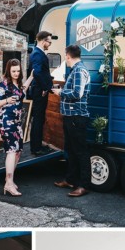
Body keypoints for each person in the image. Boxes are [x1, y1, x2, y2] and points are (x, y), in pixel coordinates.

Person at [52, 44, 92, 198]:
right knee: (71, 150)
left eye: (66, 57)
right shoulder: (76, 70)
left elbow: (77, 93)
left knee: (81, 152)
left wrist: (60, 92)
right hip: (71, 117)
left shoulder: (79, 71)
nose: (66, 60)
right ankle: (70, 180)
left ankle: (84, 186)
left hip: (77, 117)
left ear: (68, 56)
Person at [0, 59, 34, 197]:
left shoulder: (18, 84)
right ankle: (9, 184)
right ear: (8, 71)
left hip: (16, 121)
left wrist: (31, 77)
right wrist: (6, 100)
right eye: (13, 71)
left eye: (18, 71)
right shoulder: (4, 84)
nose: (16, 73)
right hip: (6, 120)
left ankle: (8, 179)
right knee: (11, 150)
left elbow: (23, 90)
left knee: (18, 151)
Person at [28, 30, 54, 156]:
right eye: (49, 42)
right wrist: (45, 87)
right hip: (39, 91)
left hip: (39, 89)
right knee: (38, 119)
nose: (50, 44)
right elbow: (37, 72)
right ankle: (36, 148)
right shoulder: (38, 54)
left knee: (39, 119)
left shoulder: (37, 53)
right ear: (43, 41)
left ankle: (37, 145)